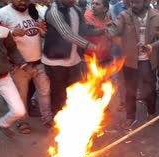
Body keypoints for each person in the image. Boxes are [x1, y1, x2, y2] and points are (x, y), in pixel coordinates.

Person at [43, 0, 104, 119]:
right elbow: (67, 34)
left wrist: (100, 31)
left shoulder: (76, 9)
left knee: (76, 92)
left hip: (74, 59)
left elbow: (83, 29)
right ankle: (57, 123)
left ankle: (73, 121)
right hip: (56, 62)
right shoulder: (54, 12)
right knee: (58, 95)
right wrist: (91, 47)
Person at [0, 0, 54, 133]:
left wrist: (42, 31)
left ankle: (47, 118)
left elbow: (42, 33)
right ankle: (22, 122)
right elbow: (2, 40)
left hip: (38, 61)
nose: (23, 2)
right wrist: (12, 32)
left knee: (45, 91)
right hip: (19, 66)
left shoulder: (35, 11)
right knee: (21, 96)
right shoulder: (3, 14)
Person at [107, 0, 159, 129]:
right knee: (130, 90)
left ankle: (151, 113)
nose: (133, 5)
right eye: (132, 2)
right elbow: (113, 28)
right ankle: (130, 117)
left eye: (137, 3)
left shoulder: (156, 17)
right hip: (130, 61)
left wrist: (151, 46)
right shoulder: (124, 16)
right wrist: (106, 32)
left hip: (148, 61)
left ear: (146, 2)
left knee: (150, 89)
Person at [0, 23, 27, 137]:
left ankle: (3, 124)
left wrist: (24, 65)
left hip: (5, 78)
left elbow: (12, 50)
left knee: (19, 111)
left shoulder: (4, 29)